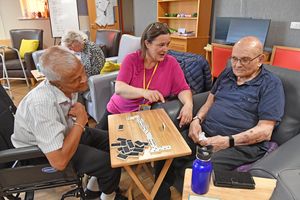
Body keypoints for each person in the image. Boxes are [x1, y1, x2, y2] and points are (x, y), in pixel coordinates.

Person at [154, 36, 285, 199]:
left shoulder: (271, 84)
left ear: (260, 60)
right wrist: (197, 120)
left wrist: (227, 141)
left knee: (198, 169)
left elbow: (265, 131)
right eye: (234, 58)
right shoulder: (228, 73)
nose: (237, 65)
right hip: (206, 133)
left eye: (244, 60)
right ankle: (161, 194)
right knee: (167, 150)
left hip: (237, 145)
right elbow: (210, 100)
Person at [11, 46, 126, 200]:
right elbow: (59, 162)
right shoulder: (41, 104)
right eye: (75, 79)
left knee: (115, 142)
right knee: (108, 163)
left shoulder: (67, 86)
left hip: (63, 134)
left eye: (82, 72)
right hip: (40, 153)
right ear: (57, 83)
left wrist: (78, 123)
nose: (84, 79)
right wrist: (80, 121)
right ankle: (108, 196)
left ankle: (94, 189)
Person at [97, 22, 193, 130]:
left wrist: (188, 104)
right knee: (98, 141)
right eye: (161, 45)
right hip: (117, 112)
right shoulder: (131, 59)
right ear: (147, 43)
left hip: (143, 116)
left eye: (167, 44)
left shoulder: (171, 63)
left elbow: (183, 88)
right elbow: (119, 88)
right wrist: (144, 92)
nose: (165, 49)